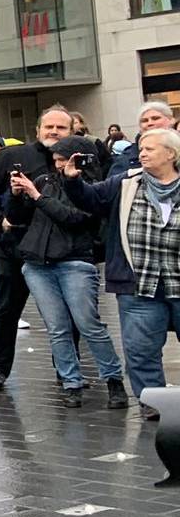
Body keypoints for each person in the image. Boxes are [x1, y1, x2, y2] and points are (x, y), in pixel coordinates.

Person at [64, 127, 180, 420]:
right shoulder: (125, 183)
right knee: (141, 351)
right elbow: (90, 200)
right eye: (141, 148)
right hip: (139, 285)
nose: (142, 152)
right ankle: (152, 405)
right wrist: (73, 181)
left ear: (171, 154)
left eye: (150, 149)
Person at [9, 135, 127, 409]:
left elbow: (74, 218)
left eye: (63, 160)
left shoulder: (93, 188)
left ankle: (113, 380)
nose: (58, 166)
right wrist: (17, 195)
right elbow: (18, 218)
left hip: (75, 261)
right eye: (56, 161)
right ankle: (71, 382)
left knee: (89, 324)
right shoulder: (44, 181)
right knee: (57, 328)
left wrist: (36, 196)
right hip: (38, 263)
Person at [0, 109, 76, 391]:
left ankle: (66, 368)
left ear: (71, 130)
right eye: (49, 126)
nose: (54, 131)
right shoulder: (11, 156)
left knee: (68, 315)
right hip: (15, 247)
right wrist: (0, 220)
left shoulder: (78, 158)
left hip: (62, 249)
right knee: (6, 311)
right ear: (37, 130)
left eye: (61, 127)